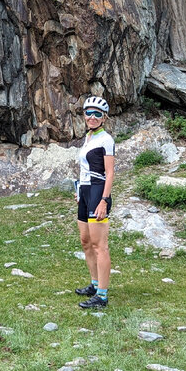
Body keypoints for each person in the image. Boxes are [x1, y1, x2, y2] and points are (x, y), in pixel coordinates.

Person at [75, 96, 114, 308]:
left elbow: (109, 173)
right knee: (86, 241)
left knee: (100, 246)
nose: (92, 117)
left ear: (104, 118)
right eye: (88, 113)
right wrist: (80, 190)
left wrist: (104, 201)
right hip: (85, 192)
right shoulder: (88, 138)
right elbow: (85, 169)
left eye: (97, 114)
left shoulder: (106, 140)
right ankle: (94, 283)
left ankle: (102, 296)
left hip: (98, 192)